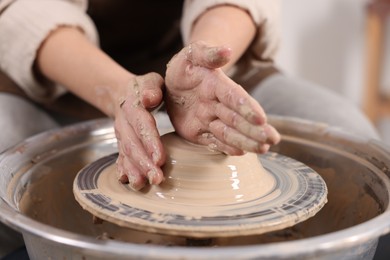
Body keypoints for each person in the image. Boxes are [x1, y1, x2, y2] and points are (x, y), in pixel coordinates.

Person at [0, 0, 380, 257]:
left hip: (204, 64)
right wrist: (119, 91)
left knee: (344, 127)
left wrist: (205, 61)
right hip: (53, 69)